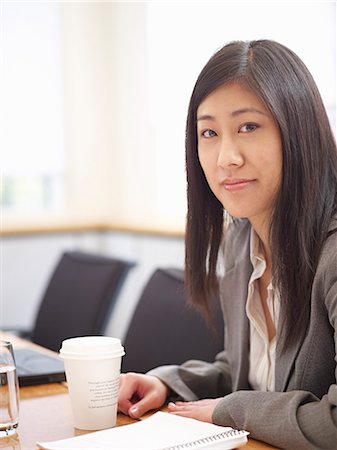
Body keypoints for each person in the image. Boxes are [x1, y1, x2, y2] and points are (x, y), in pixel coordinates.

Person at [118, 40, 337, 449]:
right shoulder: (243, 238)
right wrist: (168, 383)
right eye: (209, 133)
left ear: (299, 130)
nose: (226, 157)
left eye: (248, 127)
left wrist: (230, 411)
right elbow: (252, 374)